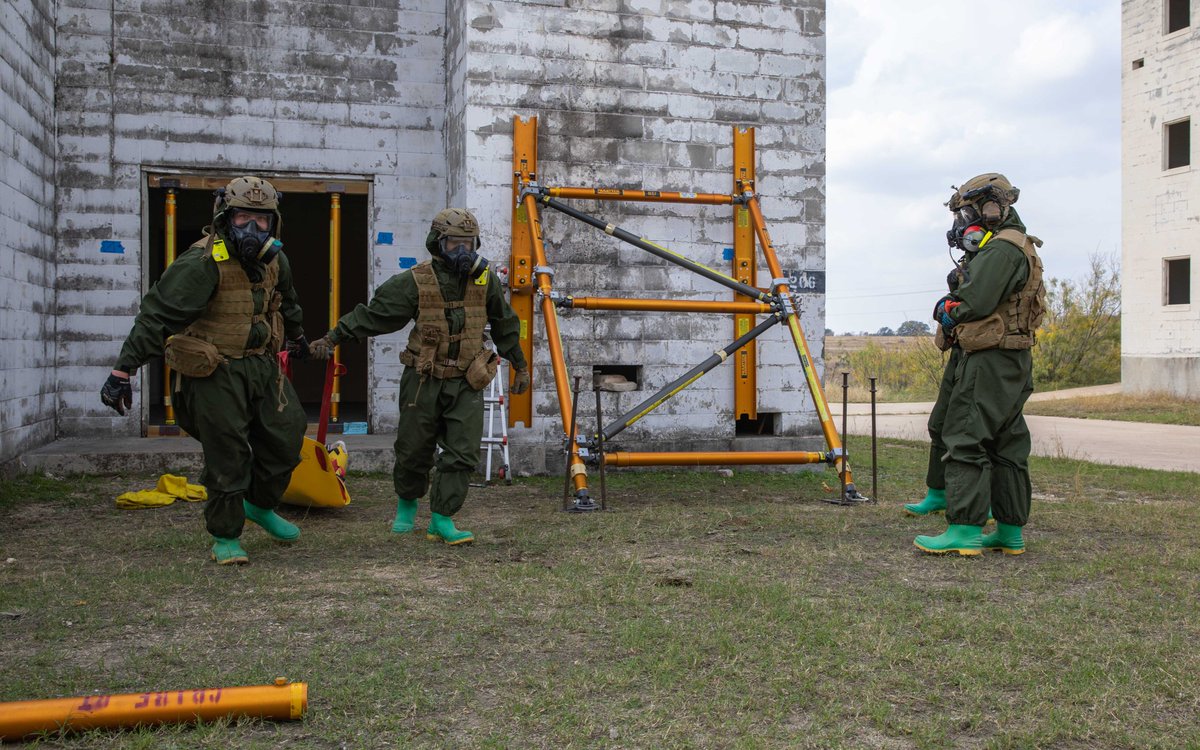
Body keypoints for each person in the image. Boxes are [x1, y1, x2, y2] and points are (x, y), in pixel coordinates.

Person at [100, 176, 311, 565]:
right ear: (225, 218)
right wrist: (123, 371)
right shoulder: (201, 262)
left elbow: (287, 303)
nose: (252, 228)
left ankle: (259, 505)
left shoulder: (276, 260)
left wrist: (297, 337)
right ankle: (226, 536)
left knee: (287, 437)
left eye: (261, 221)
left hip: (262, 367)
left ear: (273, 224)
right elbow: (157, 316)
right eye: (244, 218)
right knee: (227, 454)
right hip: (216, 372)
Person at [309, 208, 530, 545]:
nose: (463, 252)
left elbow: (505, 324)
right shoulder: (415, 281)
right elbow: (375, 315)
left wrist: (520, 364)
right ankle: (407, 505)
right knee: (414, 449)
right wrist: (333, 337)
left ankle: (441, 519)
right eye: (454, 243)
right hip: (423, 380)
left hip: (468, 381)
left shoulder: (484, 282)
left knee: (463, 452)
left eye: (468, 244)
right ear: (437, 243)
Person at [913, 173, 1046, 556]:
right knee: (1007, 443)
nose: (961, 222)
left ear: (990, 208)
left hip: (989, 358)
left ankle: (965, 530)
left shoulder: (1001, 251)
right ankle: (1009, 531)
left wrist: (947, 308)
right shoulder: (1017, 245)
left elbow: (974, 304)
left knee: (964, 437)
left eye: (966, 211)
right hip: (1011, 357)